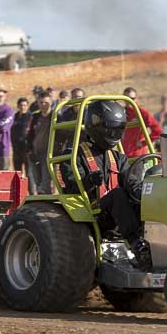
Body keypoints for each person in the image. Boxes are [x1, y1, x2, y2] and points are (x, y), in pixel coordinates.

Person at [58, 100, 152, 270]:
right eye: (111, 130)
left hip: (118, 211)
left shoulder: (118, 157)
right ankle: (137, 244)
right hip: (92, 212)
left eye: (118, 130)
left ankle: (157, 242)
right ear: (97, 126)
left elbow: (130, 182)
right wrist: (89, 180)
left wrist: (142, 192)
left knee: (141, 197)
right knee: (117, 195)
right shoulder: (73, 155)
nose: (114, 135)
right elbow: (71, 186)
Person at [26, 91, 54, 194]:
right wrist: (29, 150)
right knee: (37, 181)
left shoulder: (55, 116)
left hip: (49, 154)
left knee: (46, 182)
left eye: (45, 102)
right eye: (41, 102)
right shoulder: (35, 117)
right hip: (35, 153)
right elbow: (29, 134)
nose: (43, 105)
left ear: (50, 102)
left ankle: (47, 205)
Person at [122, 87, 162, 158]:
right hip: (123, 154)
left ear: (136, 99)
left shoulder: (142, 113)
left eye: (132, 99)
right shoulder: (121, 112)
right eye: (126, 99)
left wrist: (143, 143)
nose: (129, 101)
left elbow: (158, 131)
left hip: (138, 155)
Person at [11, 97, 32, 185]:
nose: (22, 107)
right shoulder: (14, 117)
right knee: (17, 173)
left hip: (27, 149)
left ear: (27, 106)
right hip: (16, 148)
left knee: (29, 173)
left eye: (24, 105)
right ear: (18, 106)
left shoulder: (30, 117)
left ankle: (31, 194)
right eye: (21, 105)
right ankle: (18, 192)